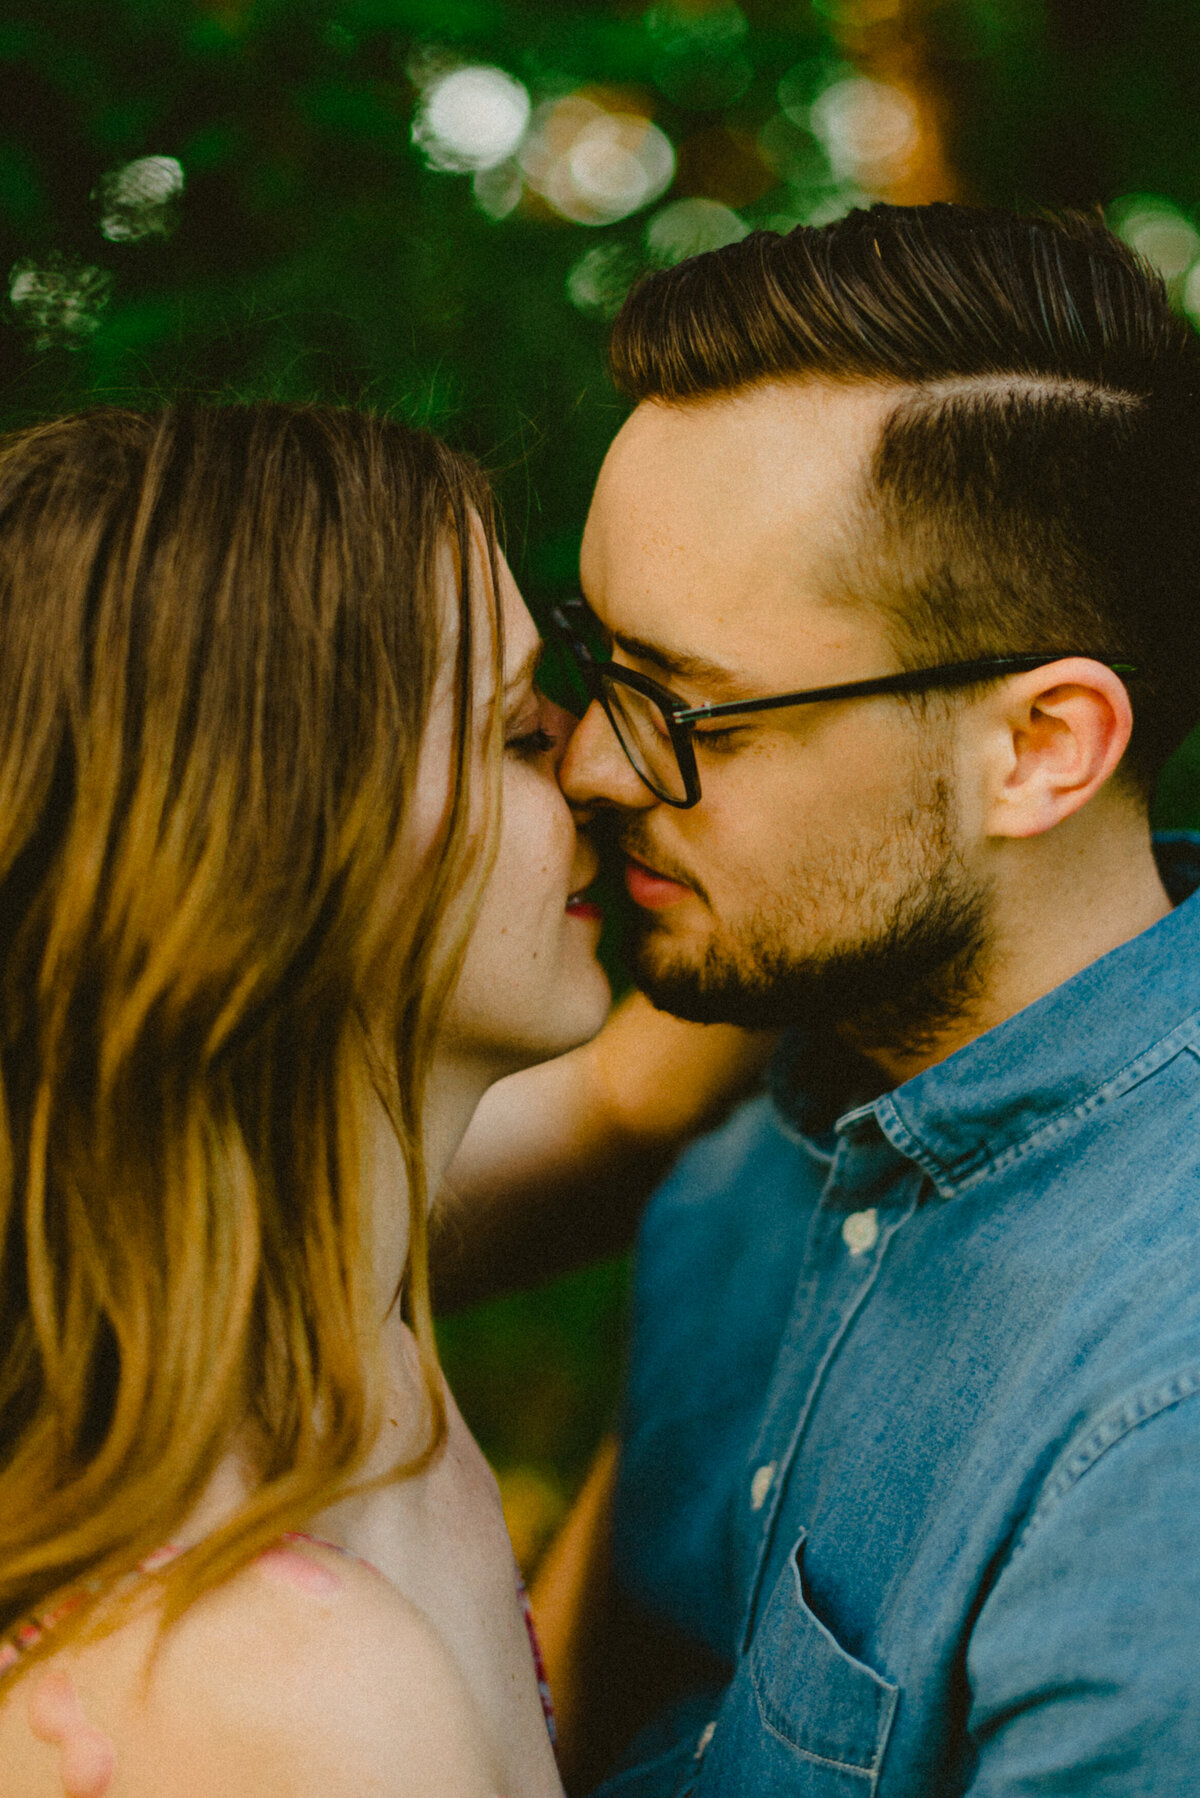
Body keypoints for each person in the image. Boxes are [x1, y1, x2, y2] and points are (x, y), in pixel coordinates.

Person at [458, 204, 1200, 1794]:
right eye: (598, 660)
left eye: (686, 708)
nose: (589, 762)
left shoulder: (1162, 1422)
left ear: (1039, 748)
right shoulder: (767, 1067)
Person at [0, 402, 763, 1798]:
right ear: (284, 845)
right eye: (522, 735)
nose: (597, 767)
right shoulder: (305, 1707)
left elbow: (627, 1108)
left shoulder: (270, 1295)